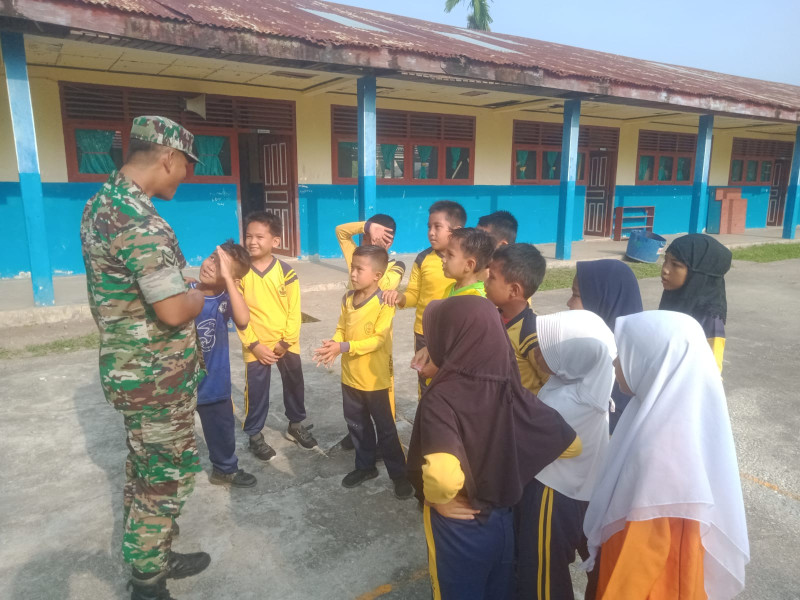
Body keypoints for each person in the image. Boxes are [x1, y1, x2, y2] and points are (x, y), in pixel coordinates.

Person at [80, 115, 211, 599]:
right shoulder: (139, 220)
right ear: (168, 158)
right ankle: (148, 583)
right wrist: (203, 291)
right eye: (186, 167)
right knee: (166, 477)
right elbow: (175, 309)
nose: (186, 176)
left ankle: (153, 554)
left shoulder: (102, 203)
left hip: (132, 371)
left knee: (145, 469)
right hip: (155, 378)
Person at [406, 296, 578, 600]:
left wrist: (438, 500)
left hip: (460, 526)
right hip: (503, 519)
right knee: (499, 588)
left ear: (452, 340)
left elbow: (444, 478)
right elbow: (570, 444)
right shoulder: (511, 388)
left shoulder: (441, 399)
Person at [583, 311, 749, 600]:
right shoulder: (661, 418)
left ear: (653, 362)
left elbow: (639, 562)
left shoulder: (662, 455)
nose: (614, 362)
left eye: (623, 353)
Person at [516, 310, 616, 600]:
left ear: (571, 357)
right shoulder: (584, 384)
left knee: (543, 573)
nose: (535, 352)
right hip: (582, 489)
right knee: (593, 562)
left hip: (553, 493)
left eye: (546, 348)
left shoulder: (567, 404)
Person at [312, 245, 414, 499]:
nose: (353, 274)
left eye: (360, 269)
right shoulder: (347, 298)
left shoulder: (385, 302)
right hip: (350, 378)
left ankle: (399, 475)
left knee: (386, 429)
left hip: (376, 379)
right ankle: (365, 466)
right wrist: (332, 345)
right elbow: (340, 328)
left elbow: (377, 340)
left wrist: (344, 346)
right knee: (357, 425)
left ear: (378, 275)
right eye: (352, 268)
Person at [237, 211, 317, 461]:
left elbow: (295, 311)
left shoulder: (285, 272)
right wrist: (254, 344)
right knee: (256, 392)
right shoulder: (240, 273)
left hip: (286, 343)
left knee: (294, 385)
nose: (252, 242)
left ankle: (295, 425)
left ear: (275, 241)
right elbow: (238, 316)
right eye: (248, 236)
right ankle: (255, 436)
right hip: (256, 346)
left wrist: (286, 341)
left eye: (259, 237)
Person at [335, 214, 405, 451]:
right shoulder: (357, 259)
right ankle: (360, 437)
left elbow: (386, 285)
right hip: (352, 333)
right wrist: (367, 226)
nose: (371, 242)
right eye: (367, 237)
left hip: (377, 340)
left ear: (390, 241)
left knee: (382, 399)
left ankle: (385, 444)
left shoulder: (394, 267)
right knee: (356, 399)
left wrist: (376, 254)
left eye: (379, 238)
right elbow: (340, 231)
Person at [383, 200, 466, 397]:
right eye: (429, 226)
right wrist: (400, 298)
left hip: (454, 334)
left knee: (453, 382)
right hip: (424, 332)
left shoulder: (467, 262)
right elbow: (414, 294)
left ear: (456, 230)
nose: (431, 232)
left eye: (438, 227)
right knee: (426, 382)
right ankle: (425, 421)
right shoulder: (423, 259)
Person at [191, 241, 257, 488]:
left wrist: (229, 280)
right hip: (178, 383)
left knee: (222, 430)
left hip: (214, 382)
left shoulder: (226, 300)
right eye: (211, 257)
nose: (210, 266)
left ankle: (224, 469)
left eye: (222, 267)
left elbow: (243, 320)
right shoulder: (184, 290)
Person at [567, 259, 643, 432]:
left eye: (576, 295)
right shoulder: (583, 345)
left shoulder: (625, 370)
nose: (569, 303)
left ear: (604, 299)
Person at [483, 244, 550, 395]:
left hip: (520, 415)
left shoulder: (531, 335)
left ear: (514, 290)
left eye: (492, 277)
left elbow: (551, 384)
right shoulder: (492, 318)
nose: (485, 283)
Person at [659, 234, 732, 372]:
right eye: (665, 260)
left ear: (696, 274)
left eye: (675, 265)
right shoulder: (674, 297)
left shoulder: (711, 318)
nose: (665, 270)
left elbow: (712, 373)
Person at [335, 214, 406, 290]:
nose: (369, 245)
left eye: (375, 241)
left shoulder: (397, 266)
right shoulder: (356, 257)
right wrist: (367, 226)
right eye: (365, 239)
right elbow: (340, 231)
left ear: (389, 243)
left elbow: (384, 287)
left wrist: (380, 254)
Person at [441, 227, 494, 298]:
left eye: (450, 254)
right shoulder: (451, 288)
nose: (443, 259)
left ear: (469, 265)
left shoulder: (477, 297)